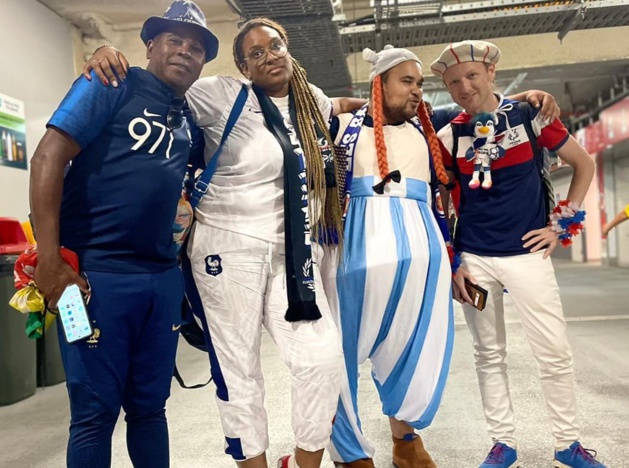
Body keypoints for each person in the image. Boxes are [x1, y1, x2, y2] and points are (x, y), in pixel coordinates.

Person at [86, 17, 366, 468]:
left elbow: (342, 106)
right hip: (225, 248)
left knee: (322, 359)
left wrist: (377, 102)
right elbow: (159, 88)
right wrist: (104, 54)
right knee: (239, 370)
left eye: (275, 45)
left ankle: (304, 461)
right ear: (242, 66)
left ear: (288, 47)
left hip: (293, 255)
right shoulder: (218, 94)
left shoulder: (312, 102)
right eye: (256, 53)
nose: (270, 56)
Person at [29, 1, 217, 467]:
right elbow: (47, 158)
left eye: (196, 48)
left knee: (151, 410)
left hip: (159, 282)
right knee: (92, 415)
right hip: (87, 281)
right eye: (174, 40)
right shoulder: (110, 82)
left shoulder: (187, 120)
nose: (185, 52)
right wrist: (49, 263)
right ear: (151, 44)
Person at [431, 40, 604, 468]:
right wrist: (453, 262)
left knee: (553, 350)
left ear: (491, 73)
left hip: (528, 255)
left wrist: (561, 227)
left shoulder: (531, 115)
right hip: (474, 260)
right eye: (454, 82)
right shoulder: (448, 134)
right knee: (488, 353)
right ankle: (502, 443)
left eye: (472, 75)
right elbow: (439, 201)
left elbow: (584, 164)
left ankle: (568, 443)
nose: (464, 86)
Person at [324, 45, 454, 468]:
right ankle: (349, 451)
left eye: (420, 83)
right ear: (379, 83)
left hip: (421, 261)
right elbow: (299, 100)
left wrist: (528, 99)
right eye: (407, 81)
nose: (416, 91)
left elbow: (482, 111)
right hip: (353, 258)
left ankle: (406, 442)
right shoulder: (342, 126)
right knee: (337, 356)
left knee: (412, 349)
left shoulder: (431, 130)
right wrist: (348, 102)